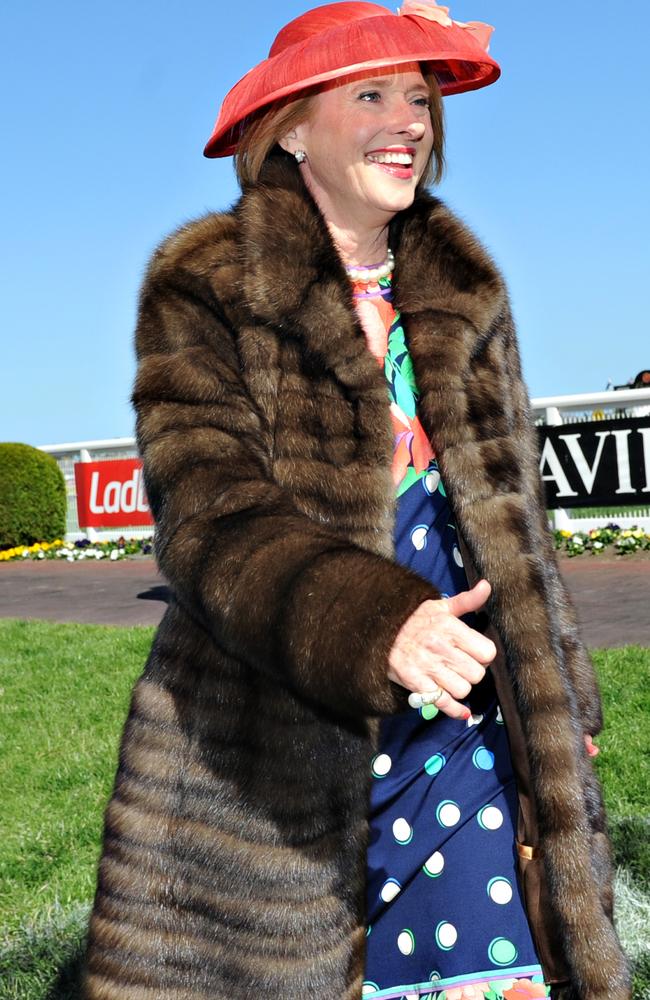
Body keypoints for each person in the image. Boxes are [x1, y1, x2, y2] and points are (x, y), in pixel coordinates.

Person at [83, 2, 630, 998]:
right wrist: (373, 626)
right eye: (369, 94)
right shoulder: (204, 279)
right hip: (272, 732)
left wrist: (556, 691)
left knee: (491, 973)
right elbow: (207, 511)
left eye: (416, 98)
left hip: (462, 712)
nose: (406, 119)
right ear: (291, 126)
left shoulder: (464, 287)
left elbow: (514, 524)